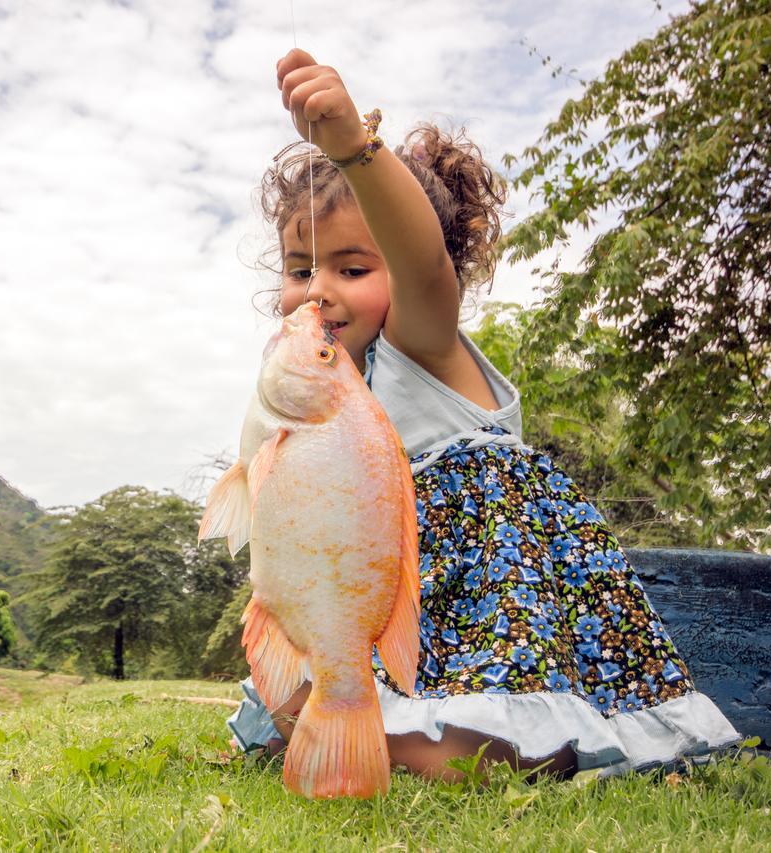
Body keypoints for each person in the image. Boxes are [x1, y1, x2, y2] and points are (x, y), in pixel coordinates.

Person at [225, 48, 741, 782]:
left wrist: (352, 150)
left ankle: (466, 748)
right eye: (300, 268)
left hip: (491, 590)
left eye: (352, 267)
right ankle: (376, 734)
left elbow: (424, 266)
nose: (320, 292)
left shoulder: (420, 340)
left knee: (504, 736)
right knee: (289, 697)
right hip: (404, 598)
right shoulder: (322, 376)